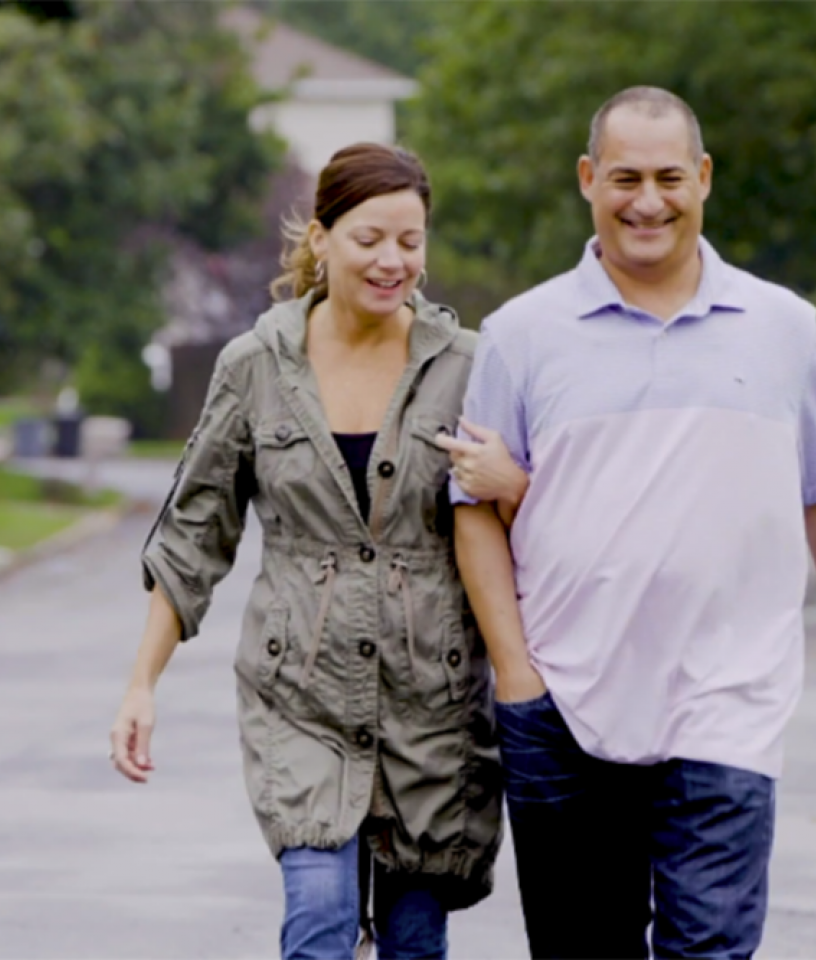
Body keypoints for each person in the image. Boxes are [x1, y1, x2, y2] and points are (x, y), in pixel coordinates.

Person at [439, 86, 816, 959]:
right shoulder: (521, 334)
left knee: (710, 951)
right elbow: (475, 515)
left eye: (669, 177)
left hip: (728, 700)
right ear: (587, 180)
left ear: (705, 179)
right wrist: (517, 678)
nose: (648, 201)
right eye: (625, 178)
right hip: (563, 704)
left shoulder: (783, 329)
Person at [109, 142, 528, 960]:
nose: (392, 260)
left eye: (410, 241)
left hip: (431, 704)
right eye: (370, 238)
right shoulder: (256, 368)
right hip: (298, 691)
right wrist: (140, 684)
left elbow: (535, 529)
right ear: (321, 239)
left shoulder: (471, 369)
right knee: (321, 920)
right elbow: (195, 533)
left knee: (414, 940)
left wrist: (513, 482)